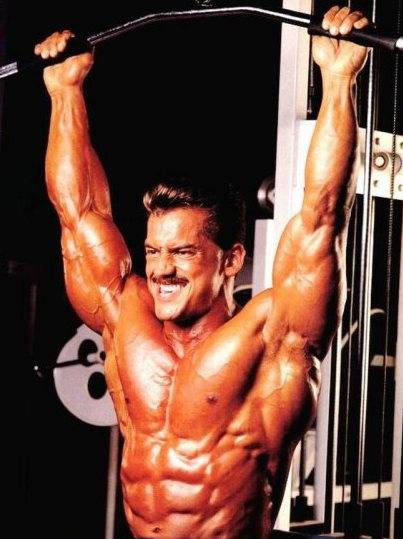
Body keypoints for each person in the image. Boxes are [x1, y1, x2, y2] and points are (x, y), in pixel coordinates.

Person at [35, 6, 369, 538]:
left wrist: (337, 78)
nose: (162, 270)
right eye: (153, 252)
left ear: (230, 260)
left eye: (183, 253)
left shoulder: (271, 339)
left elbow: (322, 215)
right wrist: (64, 92)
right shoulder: (125, 316)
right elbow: (78, 215)